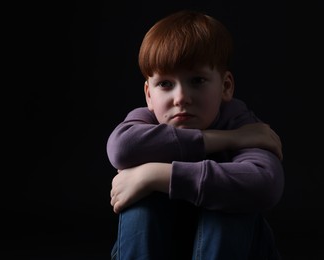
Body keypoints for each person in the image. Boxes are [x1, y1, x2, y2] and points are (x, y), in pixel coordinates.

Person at [106, 9, 284, 260]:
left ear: (226, 86)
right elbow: (121, 149)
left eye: (197, 80)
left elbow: (265, 183)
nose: (181, 98)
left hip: (230, 250)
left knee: (231, 204)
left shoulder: (238, 119)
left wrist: (154, 175)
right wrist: (231, 138)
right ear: (148, 94)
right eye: (165, 84)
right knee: (141, 209)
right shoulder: (148, 119)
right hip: (163, 247)